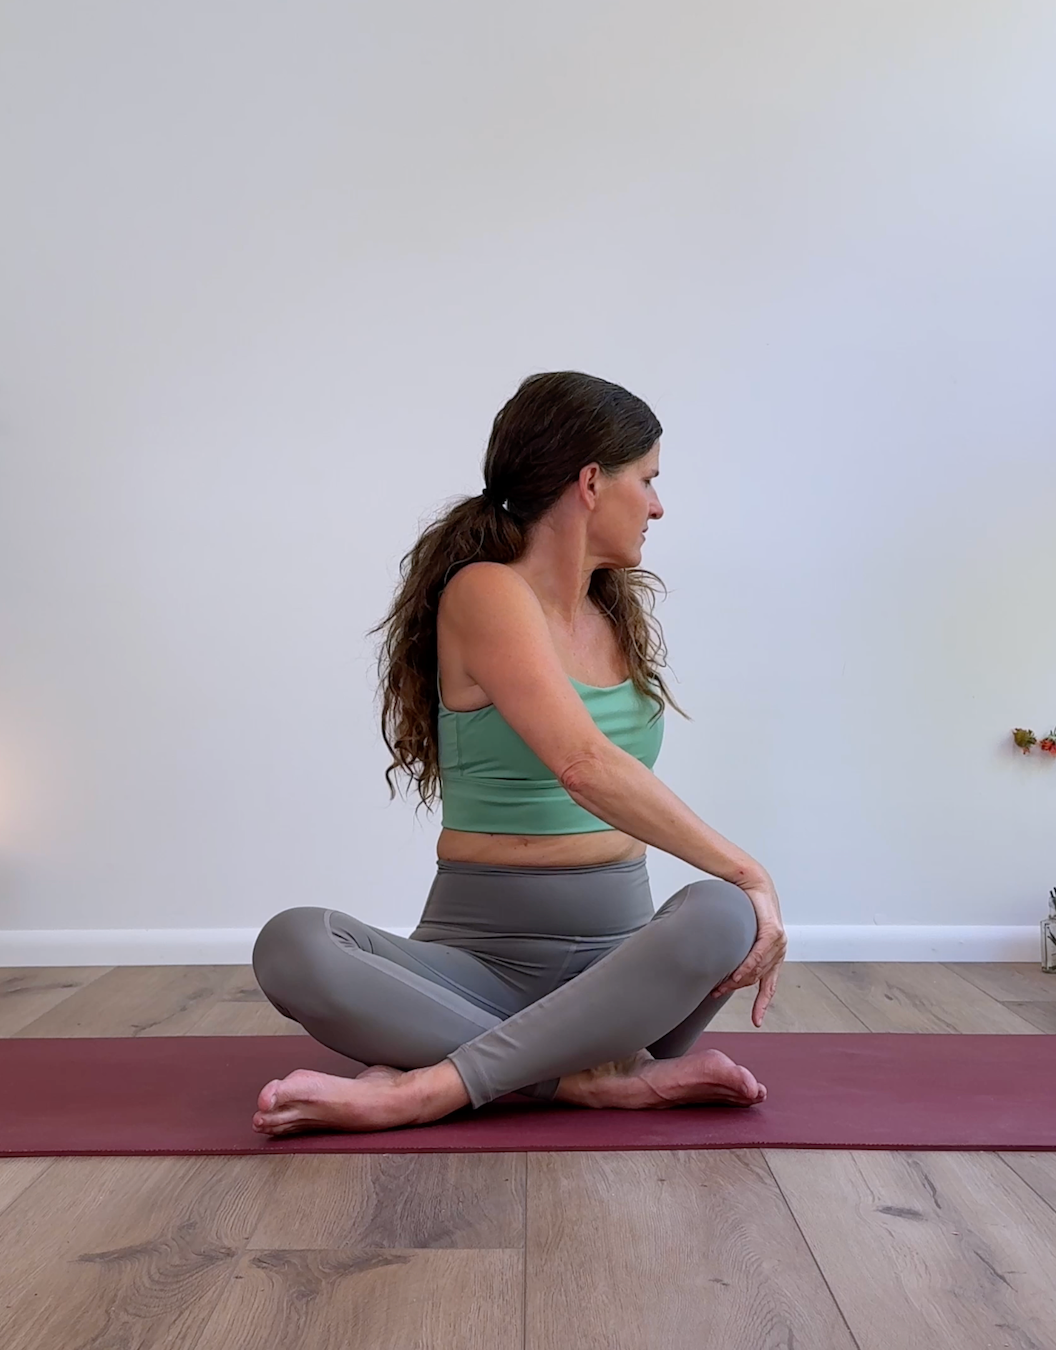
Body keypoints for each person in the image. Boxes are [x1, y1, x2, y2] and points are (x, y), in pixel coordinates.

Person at [249, 371, 787, 1136]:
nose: (660, 506)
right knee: (293, 944)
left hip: (621, 976)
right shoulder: (487, 591)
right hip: (474, 968)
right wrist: (751, 869)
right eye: (649, 480)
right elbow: (584, 765)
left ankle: (426, 1081)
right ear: (592, 482)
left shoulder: (615, 614)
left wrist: (737, 891)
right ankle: (582, 1081)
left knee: (722, 916)